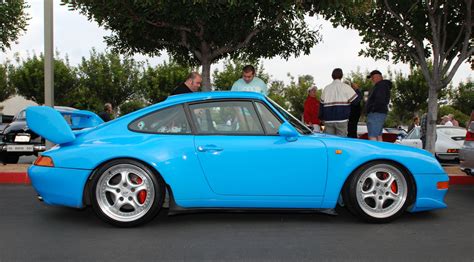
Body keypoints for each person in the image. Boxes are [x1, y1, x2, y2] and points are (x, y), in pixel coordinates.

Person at [319, 68, 359, 137]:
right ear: (341, 76)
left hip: (328, 120)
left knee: (330, 141)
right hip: (342, 120)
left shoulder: (326, 88)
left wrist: (321, 118)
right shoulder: (346, 87)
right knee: (341, 142)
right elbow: (356, 102)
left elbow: (321, 105)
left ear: (332, 76)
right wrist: (357, 90)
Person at [366, 70, 391, 141]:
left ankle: (373, 151)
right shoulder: (383, 85)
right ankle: (379, 151)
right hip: (379, 113)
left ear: (378, 77)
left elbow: (379, 100)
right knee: (378, 135)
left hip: (376, 114)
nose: (372, 80)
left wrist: (372, 109)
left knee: (372, 136)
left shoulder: (380, 86)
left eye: (372, 77)